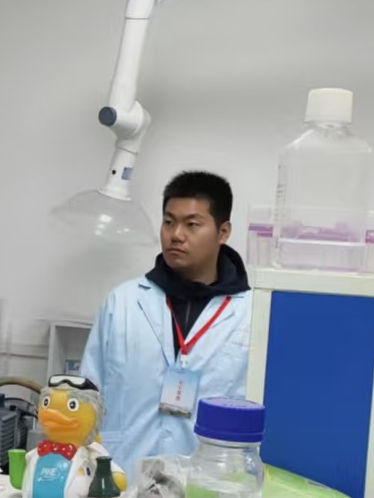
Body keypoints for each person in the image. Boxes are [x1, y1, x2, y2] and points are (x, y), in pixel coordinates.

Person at [80, 171, 254, 474]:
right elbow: (87, 396)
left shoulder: (251, 315)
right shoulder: (124, 302)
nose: (176, 235)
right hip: (119, 478)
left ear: (223, 232)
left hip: (207, 486)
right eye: (169, 222)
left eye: (192, 224)